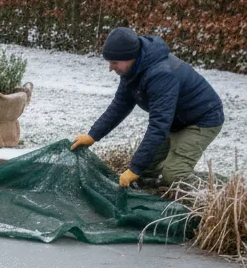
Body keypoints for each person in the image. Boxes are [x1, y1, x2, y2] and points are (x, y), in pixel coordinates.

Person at [70, 26, 224, 188]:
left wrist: (134, 169)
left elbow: (158, 126)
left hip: (202, 119)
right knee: (146, 171)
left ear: (130, 57)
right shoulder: (132, 70)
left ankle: (224, 188)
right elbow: (120, 106)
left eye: (114, 62)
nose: (110, 68)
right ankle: (161, 185)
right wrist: (93, 135)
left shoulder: (160, 75)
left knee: (173, 175)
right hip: (175, 120)